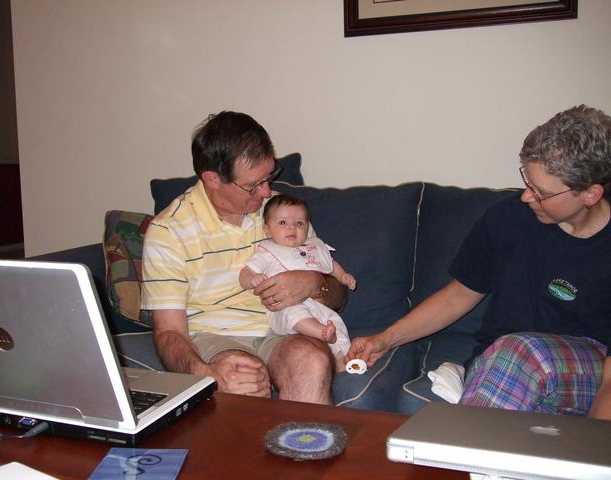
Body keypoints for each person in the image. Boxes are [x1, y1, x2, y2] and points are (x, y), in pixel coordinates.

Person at [347, 105, 611, 419]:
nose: (526, 197)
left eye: (540, 192)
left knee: (519, 352)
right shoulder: (507, 217)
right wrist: (383, 340)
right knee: (510, 365)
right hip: (499, 366)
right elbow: (458, 296)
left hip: (586, 372)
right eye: (527, 181)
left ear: (590, 194)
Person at [141, 111, 347, 404]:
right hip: (215, 337)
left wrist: (314, 283)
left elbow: (339, 298)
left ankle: (304, 436)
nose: (266, 192)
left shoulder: (283, 214)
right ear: (212, 179)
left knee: (311, 360)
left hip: (285, 328)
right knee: (243, 377)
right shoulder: (168, 231)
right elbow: (169, 332)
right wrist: (206, 374)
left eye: (269, 176)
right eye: (253, 185)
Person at [239, 194, 357, 372]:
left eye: (299, 223)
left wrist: (343, 276)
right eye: (282, 222)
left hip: (317, 305)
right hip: (283, 307)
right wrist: (251, 279)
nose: (292, 227)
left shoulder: (313, 248)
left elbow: (330, 265)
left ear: (307, 228)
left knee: (335, 322)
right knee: (294, 313)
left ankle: (341, 360)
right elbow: (245, 272)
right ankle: (320, 333)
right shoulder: (267, 252)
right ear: (267, 230)